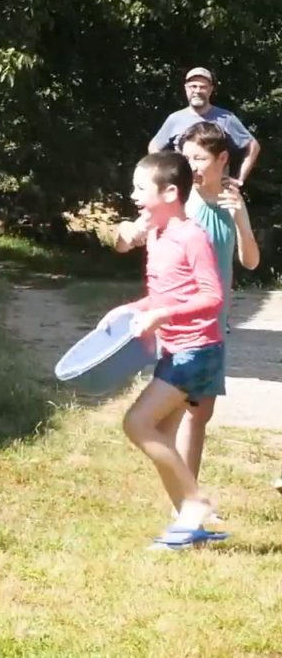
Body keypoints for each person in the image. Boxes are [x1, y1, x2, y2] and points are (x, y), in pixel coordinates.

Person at [118, 123, 260, 519]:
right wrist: (128, 233)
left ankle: (190, 507)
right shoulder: (182, 206)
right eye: (187, 157)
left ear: (222, 160)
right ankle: (191, 506)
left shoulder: (227, 204)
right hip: (186, 329)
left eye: (200, 158)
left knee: (195, 417)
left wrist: (242, 222)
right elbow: (135, 236)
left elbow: (249, 262)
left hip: (210, 326)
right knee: (175, 419)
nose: (192, 165)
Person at [102, 151, 227, 550]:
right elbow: (161, 297)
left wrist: (163, 315)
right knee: (164, 438)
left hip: (197, 351)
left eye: (141, 188)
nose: (133, 194)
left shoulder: (191, 236)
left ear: (170, 191)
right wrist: (130, 309)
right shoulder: (156, 236)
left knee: (137, 424)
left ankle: (195, 503)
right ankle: (189, 532)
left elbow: (213, 296)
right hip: (177, 349)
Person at [148, 67, 261, 184]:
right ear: (186, 88)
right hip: (185, 189)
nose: (197, 91)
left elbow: (253, 146)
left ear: (211, 90)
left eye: (203, 87)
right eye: (193, 86)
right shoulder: (175, 119)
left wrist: (239, 179)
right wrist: (168, 174)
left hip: (218, 190)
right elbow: (154, 147)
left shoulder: (227, 118)